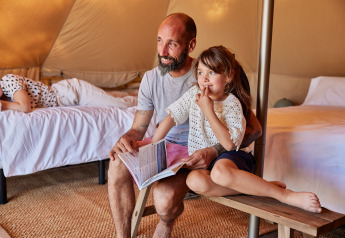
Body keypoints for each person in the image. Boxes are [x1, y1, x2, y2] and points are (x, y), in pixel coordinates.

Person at [108, 13, 262, 238]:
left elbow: (254, 129)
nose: (162, 51)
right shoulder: (151, 79)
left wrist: (214, 150)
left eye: (172, 44)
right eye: (160, 41)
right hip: (164, 146)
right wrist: (127, 138)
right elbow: (139, 128)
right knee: (116, 161)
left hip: (192, 153)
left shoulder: (209, 73)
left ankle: (168, 219)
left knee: (164, 201)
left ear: (191, 45)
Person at [151, 45, 322, 214]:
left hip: (234, 156)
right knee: (194, 181)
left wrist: (208, 110)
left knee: (220, 173)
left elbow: (229, 144)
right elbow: (172, 117)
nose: (204, 78)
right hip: (208, 165)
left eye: (212, 73)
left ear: (228, 76)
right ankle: (261, 188)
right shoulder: (193, 93)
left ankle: (284, 195)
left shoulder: (232, 103)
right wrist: (152, 145)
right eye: (201, 72)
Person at [0, 74, 137, 113]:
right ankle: (133, 93)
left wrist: (2, 105)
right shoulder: (6, 95)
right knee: (109, 97)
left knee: (121, 105)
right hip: (67, 97)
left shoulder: (8, 80)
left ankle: (142, 98)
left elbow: (25, 107)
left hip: (72, 91)